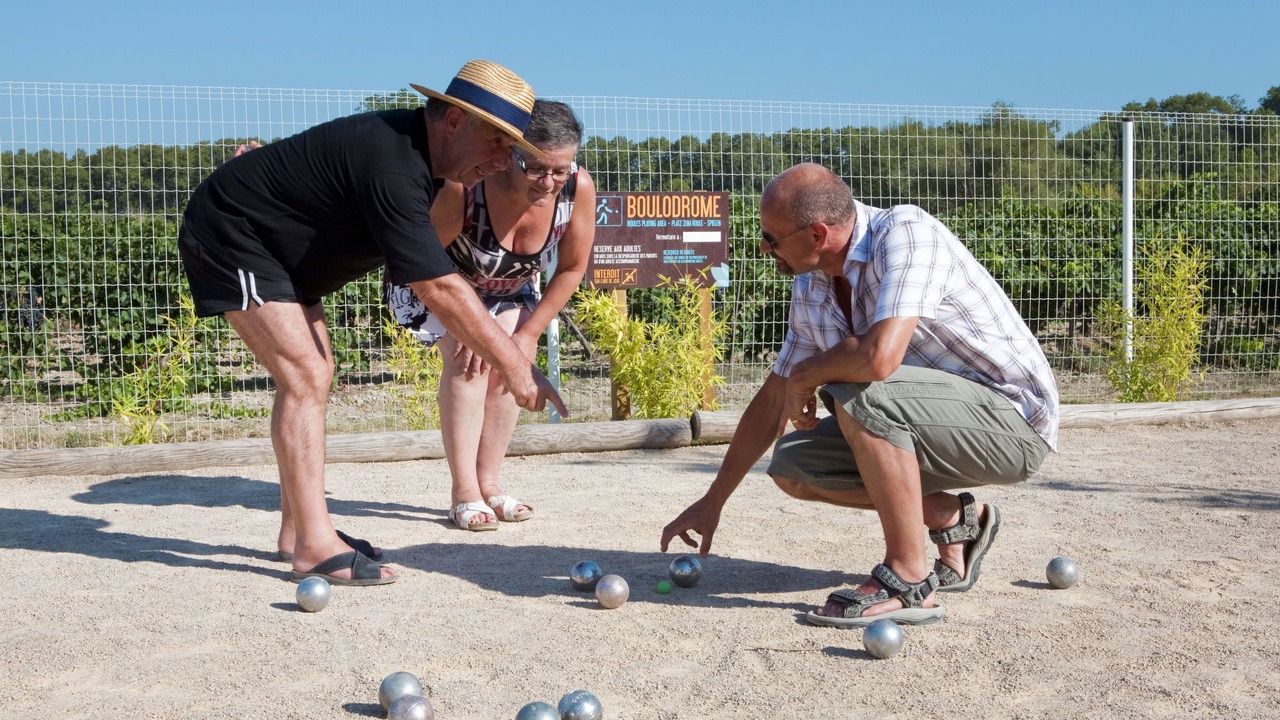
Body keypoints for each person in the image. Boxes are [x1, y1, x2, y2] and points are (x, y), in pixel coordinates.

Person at [177, 60, 567, 587]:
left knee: (316, 374)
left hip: (286, 256)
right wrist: (516, 366)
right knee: (304, 376)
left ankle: (299, 532)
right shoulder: (394, 165)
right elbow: (437, 285)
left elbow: (434, 255)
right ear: (455, 120)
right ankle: (314, 546)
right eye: (497, 142)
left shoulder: (428, 164)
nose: (503, 161)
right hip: (234, 231)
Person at [661, 163, 1059, 627]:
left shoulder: (906, 232)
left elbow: (878, 359)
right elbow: (772, 399)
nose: (764, 248)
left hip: (1011, 424)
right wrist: (713, 501)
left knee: (856, 389)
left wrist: (807, 375)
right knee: (795, 466)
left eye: (771, 238)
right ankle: (954, 519)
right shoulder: (811, 284)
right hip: (931, 427)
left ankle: (908, 578)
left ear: (817, 234)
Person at [385, 100, 596, 531]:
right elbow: (427, 264)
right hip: (442, 282)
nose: (549, 182)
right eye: (535, 168)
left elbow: (573, 268)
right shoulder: (469, 184)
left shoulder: (578, 187)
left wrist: (527, 337)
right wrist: (468, 326)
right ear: (510, 151)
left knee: (510, 365)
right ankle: (464, 492)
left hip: (509, 288)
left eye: (560, 170)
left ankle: (490, 484)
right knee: (470, 364)